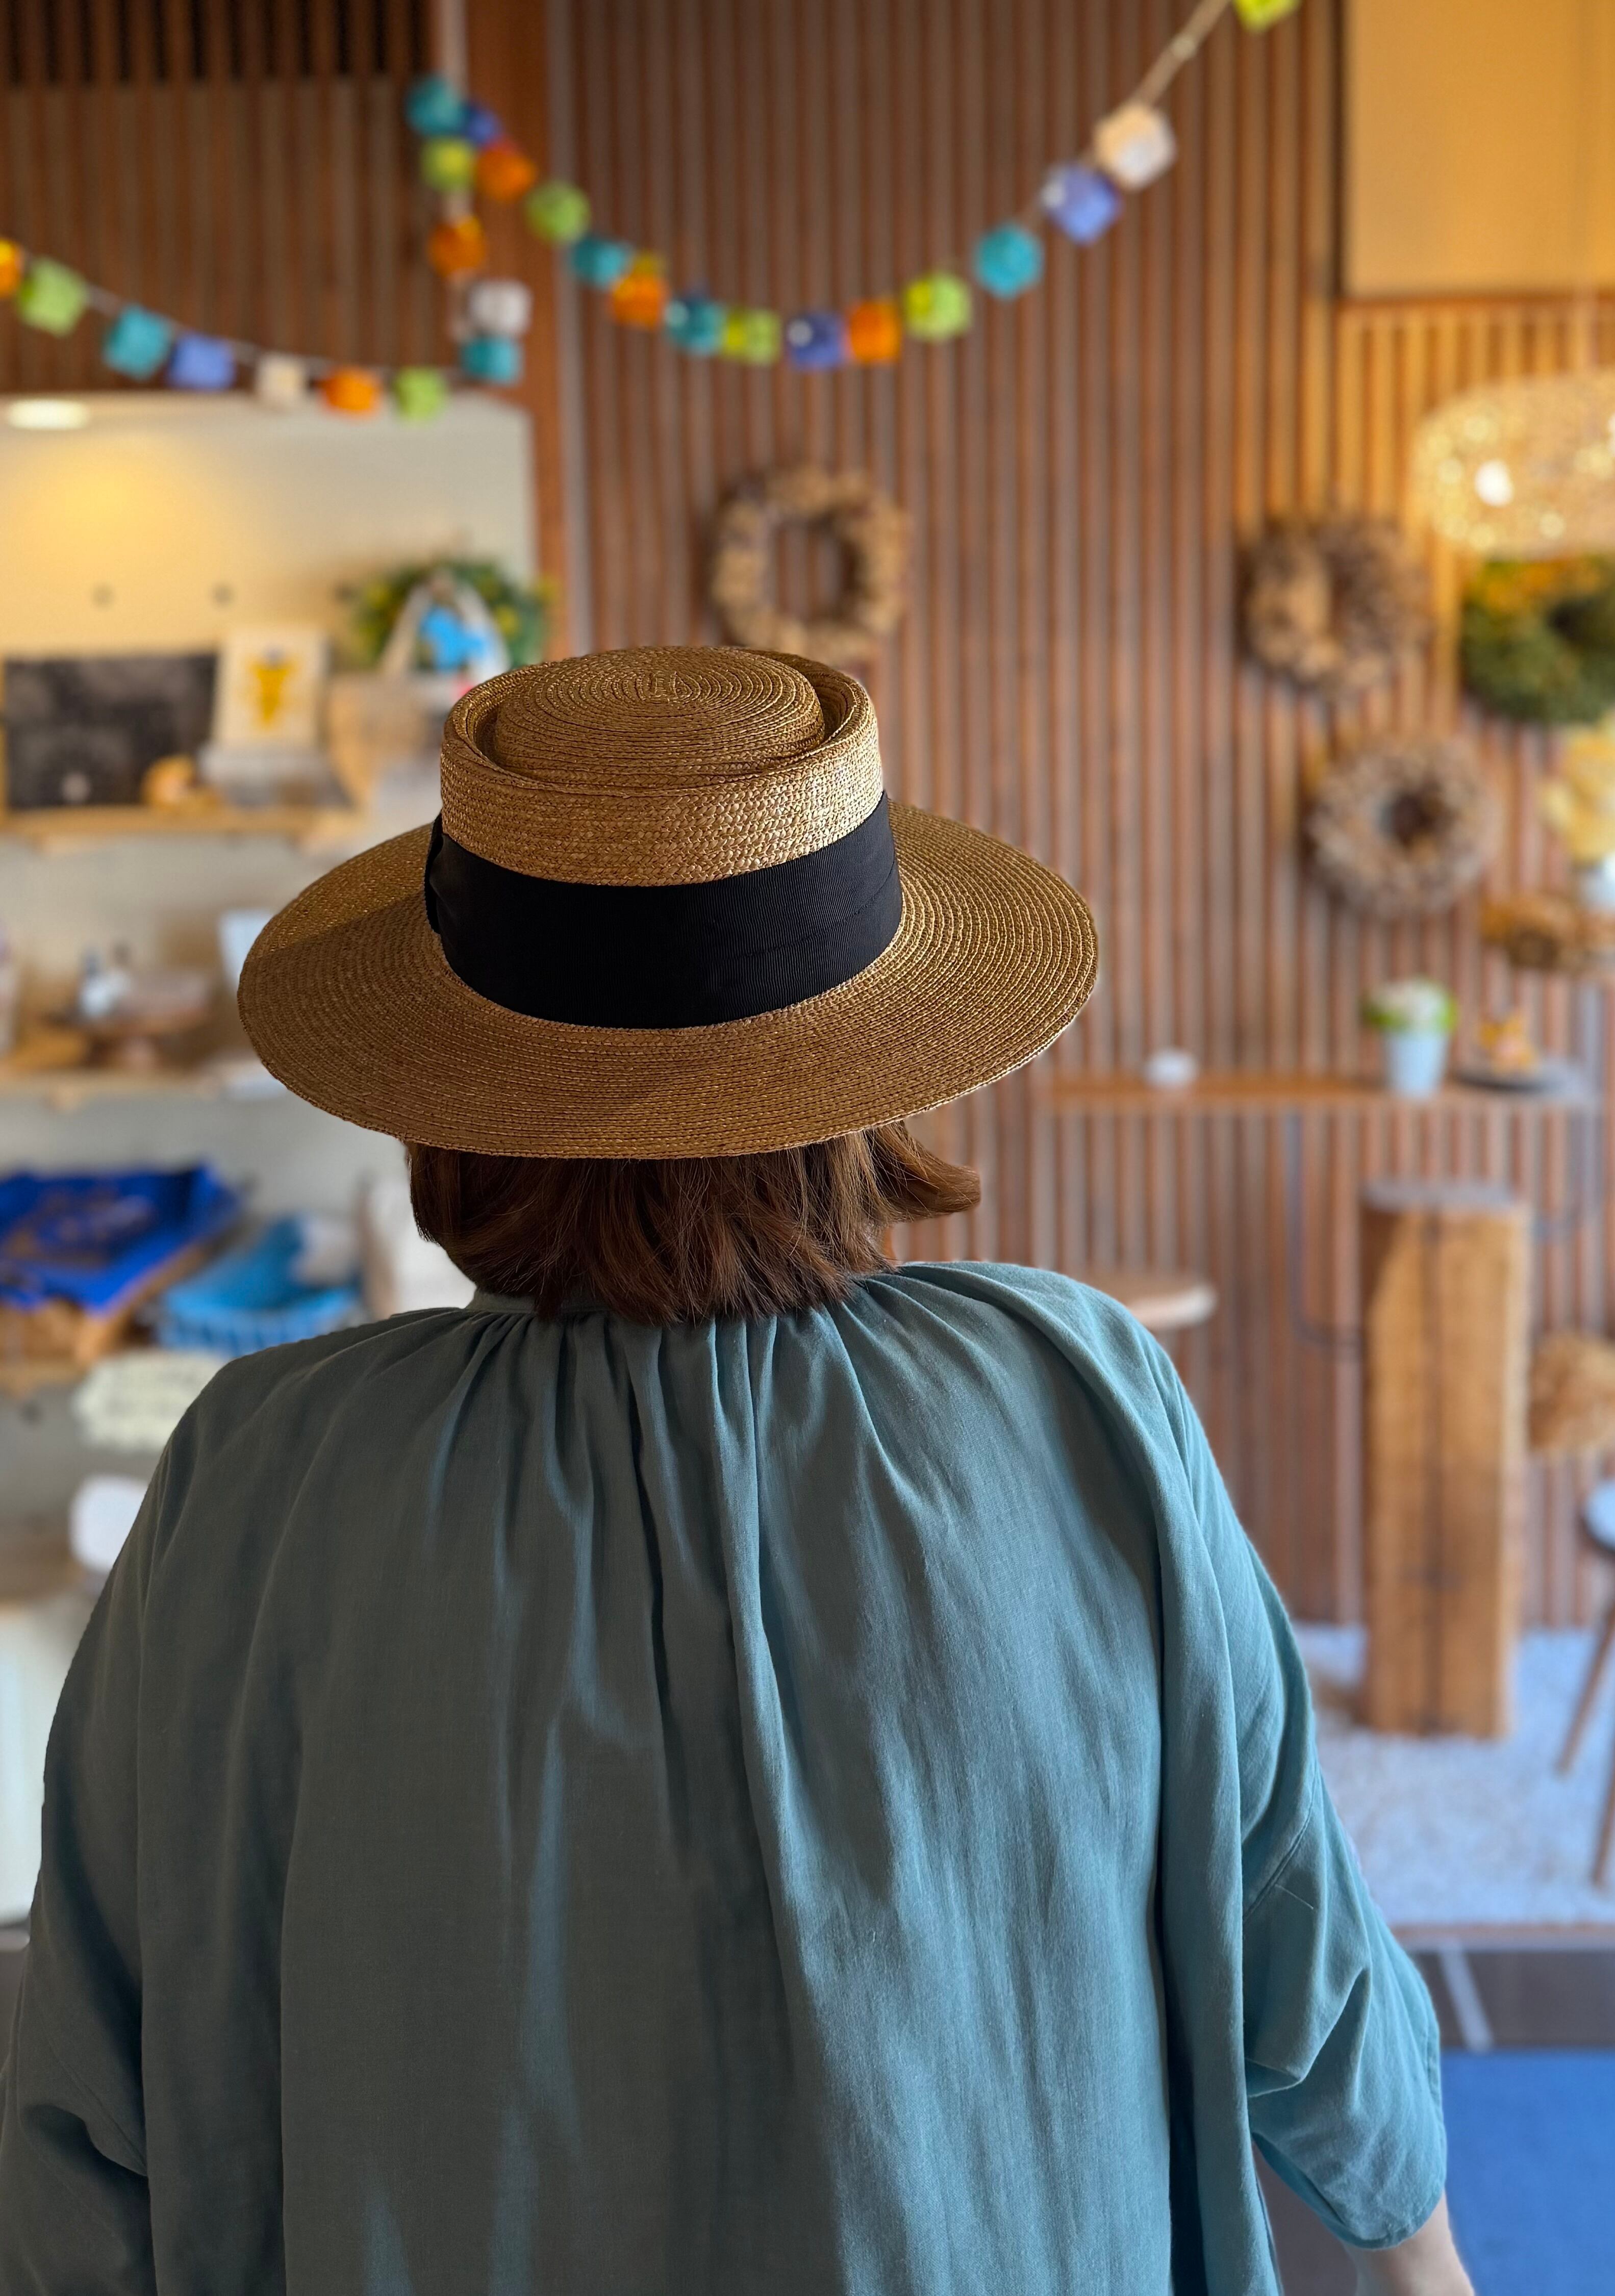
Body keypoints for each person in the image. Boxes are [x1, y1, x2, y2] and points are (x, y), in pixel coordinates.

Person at [0, 648, 1470, 2296]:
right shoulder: (1079, 1397)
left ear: (446, 1093)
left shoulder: (263, 1476)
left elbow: (89, 2091)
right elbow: (1294, 1931)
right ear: (873, 1068)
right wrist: (1427, 2268)